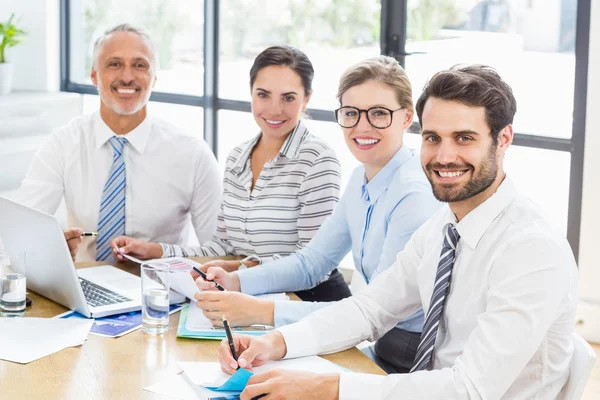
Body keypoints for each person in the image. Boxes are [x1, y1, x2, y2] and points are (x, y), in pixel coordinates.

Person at [215, 65, 578, 400]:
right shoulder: (445, 227)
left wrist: (327, 387)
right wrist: (275, 342)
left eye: (464, 138)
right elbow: (370, 309)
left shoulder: (531, 249)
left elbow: (469, 389)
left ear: (503, 139)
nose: (444, 156)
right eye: (433, 138)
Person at [193, 56, 441, 373]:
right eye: (351, 113)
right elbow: (312, 262)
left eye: (378, 113)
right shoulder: (362, 179)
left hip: (409, 355)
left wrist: (260, 310)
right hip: (377, 341)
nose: (362, 126)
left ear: (407, 117)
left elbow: (374, 313)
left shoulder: (413, 194)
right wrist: (237, 280)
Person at [112, 45, 351, 302]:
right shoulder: (238, 158)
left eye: (288, 98)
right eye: (263, 95)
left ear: (307, 98)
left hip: (309, 301)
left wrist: (241, 269)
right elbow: (223, 248)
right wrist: (155, 250)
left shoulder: (317, 160)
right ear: (251, 93)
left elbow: (312, 264)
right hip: (251, 299)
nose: (274, 109)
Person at [13, 24, 222, 262]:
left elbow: (219, 252)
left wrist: (161, 252)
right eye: (114, 64)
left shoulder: (192, 154)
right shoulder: (64, 143)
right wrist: (49, 248)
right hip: (84, 290)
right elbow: (20, 232)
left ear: (154, 77)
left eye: (139, 65)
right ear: (94, 75)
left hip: (161, 291)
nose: (126, 76)